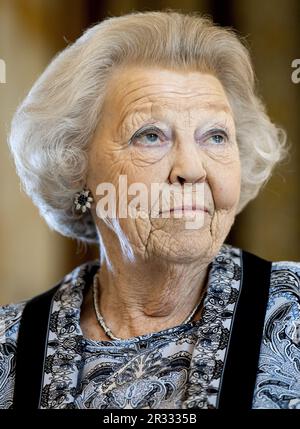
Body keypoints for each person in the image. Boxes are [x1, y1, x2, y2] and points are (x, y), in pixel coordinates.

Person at [1, 10, 299, 410]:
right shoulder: (10, 345)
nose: (191, 169)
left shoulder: (292, 314)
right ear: (75, 164)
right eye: (151, 135)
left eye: (215, 136)